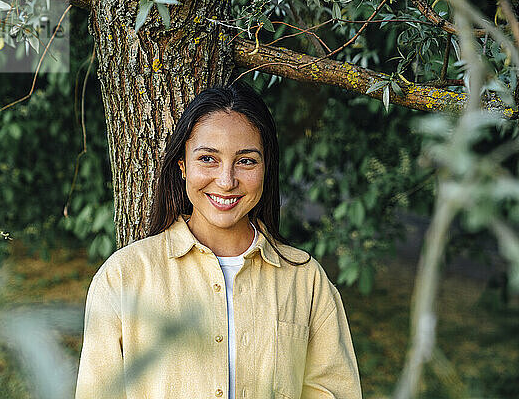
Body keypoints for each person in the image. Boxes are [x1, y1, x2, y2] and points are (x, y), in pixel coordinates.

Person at [75, 82, 362, 399]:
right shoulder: (123, 277)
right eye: (208, 159)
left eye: (247, 161)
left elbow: (333, 391)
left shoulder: (305, 280)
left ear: (266, 168)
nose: (226, 181)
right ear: (182, 166)